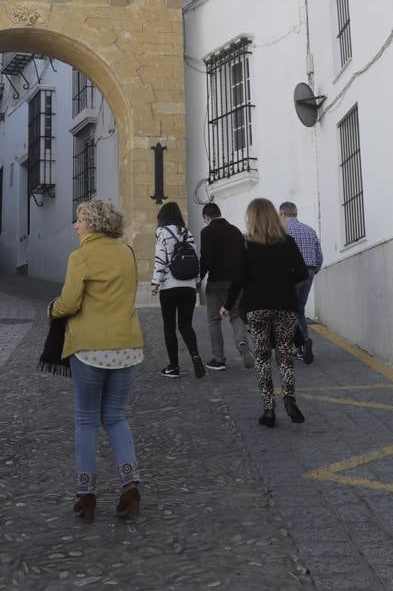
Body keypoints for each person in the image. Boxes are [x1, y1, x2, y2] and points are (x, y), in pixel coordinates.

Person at [51, 198, 143, 523]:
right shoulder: (128, 253)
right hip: (127, 346)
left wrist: (53, 309)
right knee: (116, 417)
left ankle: (86, 494)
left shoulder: (81, 256)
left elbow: (70, 302)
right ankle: (130, 483)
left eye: (80, 220)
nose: (76, 226)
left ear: (92, 223)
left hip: (90, 349)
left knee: (86, 419)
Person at [223, 198, 310, 427]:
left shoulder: (245, 244)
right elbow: (302, 273)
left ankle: (269, 410)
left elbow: (238, 279)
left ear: (251, 218)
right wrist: (281, 280)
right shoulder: (288, 242)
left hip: (257, 306)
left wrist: (228, 304)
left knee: (262, 358)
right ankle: (289, 399)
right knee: (284, 354)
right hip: (285, 305)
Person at [150, 201, 205, 379]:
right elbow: (195, 259)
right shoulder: (187, 232)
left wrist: (155, 282)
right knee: (186, 325)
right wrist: (196, 282)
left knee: (169, 327)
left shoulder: (162, 232)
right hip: (188, 286)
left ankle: (173, 367)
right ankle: (195, 355)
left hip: (169, 286)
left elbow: (160, 259)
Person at [198, 202, 253, 371]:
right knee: (235, 315)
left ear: (206, 217)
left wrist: (199, 278)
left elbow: (206, 257)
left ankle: (219, 359)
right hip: (235, 282)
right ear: (220, 213)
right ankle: (242, 341)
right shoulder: (235, 231)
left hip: (216, 282)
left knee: (214, 320)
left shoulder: (206, 232)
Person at [279, 201, 323, 364]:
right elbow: (320, 256)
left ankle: (302, 343)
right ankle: (303, 345)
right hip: (309, 272)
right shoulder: (310, 230)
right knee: (299, 309)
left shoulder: (284, 230)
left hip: (292, 274)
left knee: (288, 310)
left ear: (283, 214)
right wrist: (313, 271)